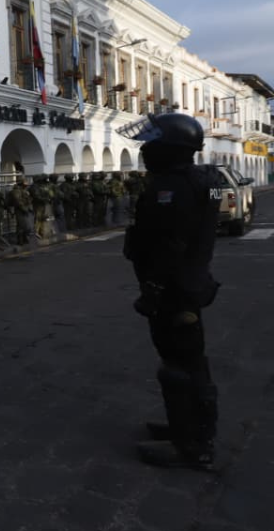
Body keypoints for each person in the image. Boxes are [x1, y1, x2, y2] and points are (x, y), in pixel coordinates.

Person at [120, 113, 220, 469]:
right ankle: (186, 426)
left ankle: (191, 445)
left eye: (152, 143)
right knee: (188, 361)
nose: (146, 149)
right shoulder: (203, 179)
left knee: (179, 366)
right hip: (189, 283)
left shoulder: (172, 187)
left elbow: (170, 244)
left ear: (170, 148)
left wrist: (153, 289)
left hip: (174, 289)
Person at [7, 179, 33, 246]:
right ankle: (20, 240)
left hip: (25, 209)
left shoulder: (24, 190)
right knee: (21, 226)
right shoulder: (17, 191)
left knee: (27, 226)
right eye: (25, 183)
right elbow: (18, 201)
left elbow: (27, 199)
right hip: (20, 210)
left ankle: (25, 238)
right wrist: (24, 209)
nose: (26, 185)